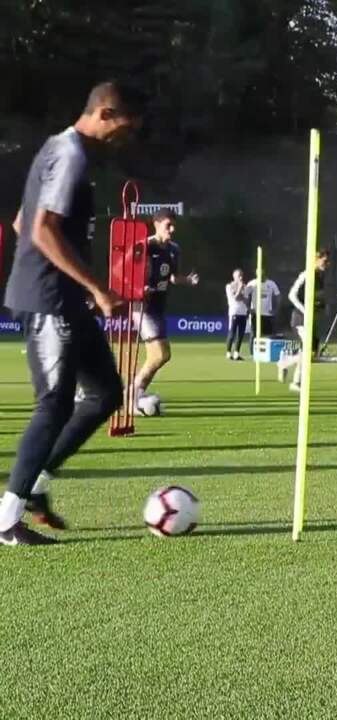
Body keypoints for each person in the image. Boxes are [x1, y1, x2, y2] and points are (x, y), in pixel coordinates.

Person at [2, 82, 141, 545]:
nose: (126, 138)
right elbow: (40, 230)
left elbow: (22, 222)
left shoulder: (57, 148)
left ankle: (36, 487)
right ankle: (6, 519)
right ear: (105, 113)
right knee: (55, 404)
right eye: (124, 127)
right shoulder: (72, 157)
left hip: (62, 298)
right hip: (49, 301)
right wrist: (96, 286)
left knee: (105, 393)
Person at [131, 207, 199, 400]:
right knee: (160, 354)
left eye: (174, 226)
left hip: (158, 306)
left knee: (161, 355)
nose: (172, 230)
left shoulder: (174, 249)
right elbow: (124, 274)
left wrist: (187, 280)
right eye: (168, 226)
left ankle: (134, 393)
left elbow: (173, 277)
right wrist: (139, 289)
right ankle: (134, 394)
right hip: (142, 307)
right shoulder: (143, 247)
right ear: (156, 225)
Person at [279, 249, 331, 391]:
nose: (327, 264)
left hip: (312, 320)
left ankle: (287, 366)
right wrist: (305, 310)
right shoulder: (306, 274)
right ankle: (294, 379)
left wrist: (322, 306)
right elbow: (291, 295)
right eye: (324, 261)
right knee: (307, 350)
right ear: (316, 259)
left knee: (312, 354)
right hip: (300, 319)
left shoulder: (321, 277)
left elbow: (317, 297)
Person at [245, 272, 281, 337]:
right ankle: (253, 347)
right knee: (254, 335)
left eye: (262, 274)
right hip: (256, 314)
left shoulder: (271, 283)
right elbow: (245, 296)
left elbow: (278, 296)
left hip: (268, 314)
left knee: (268, 335)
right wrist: (249, 308)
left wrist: (276, 309)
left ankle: (265, 347)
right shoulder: (252, 283)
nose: (261, 276)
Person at [225, 269, 250, 360]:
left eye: (242, 275)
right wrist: (239, 289)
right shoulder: (229, 286)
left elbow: (246, 300)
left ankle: (236, 353)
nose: (241, 277)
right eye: (239, 276)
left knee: (241, 334)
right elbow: (235, 298)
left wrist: (241, 294)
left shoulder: (245, 287)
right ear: (234, 276)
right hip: (234, 312)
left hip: (243, 313)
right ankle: (228, 352)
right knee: (232, 333)